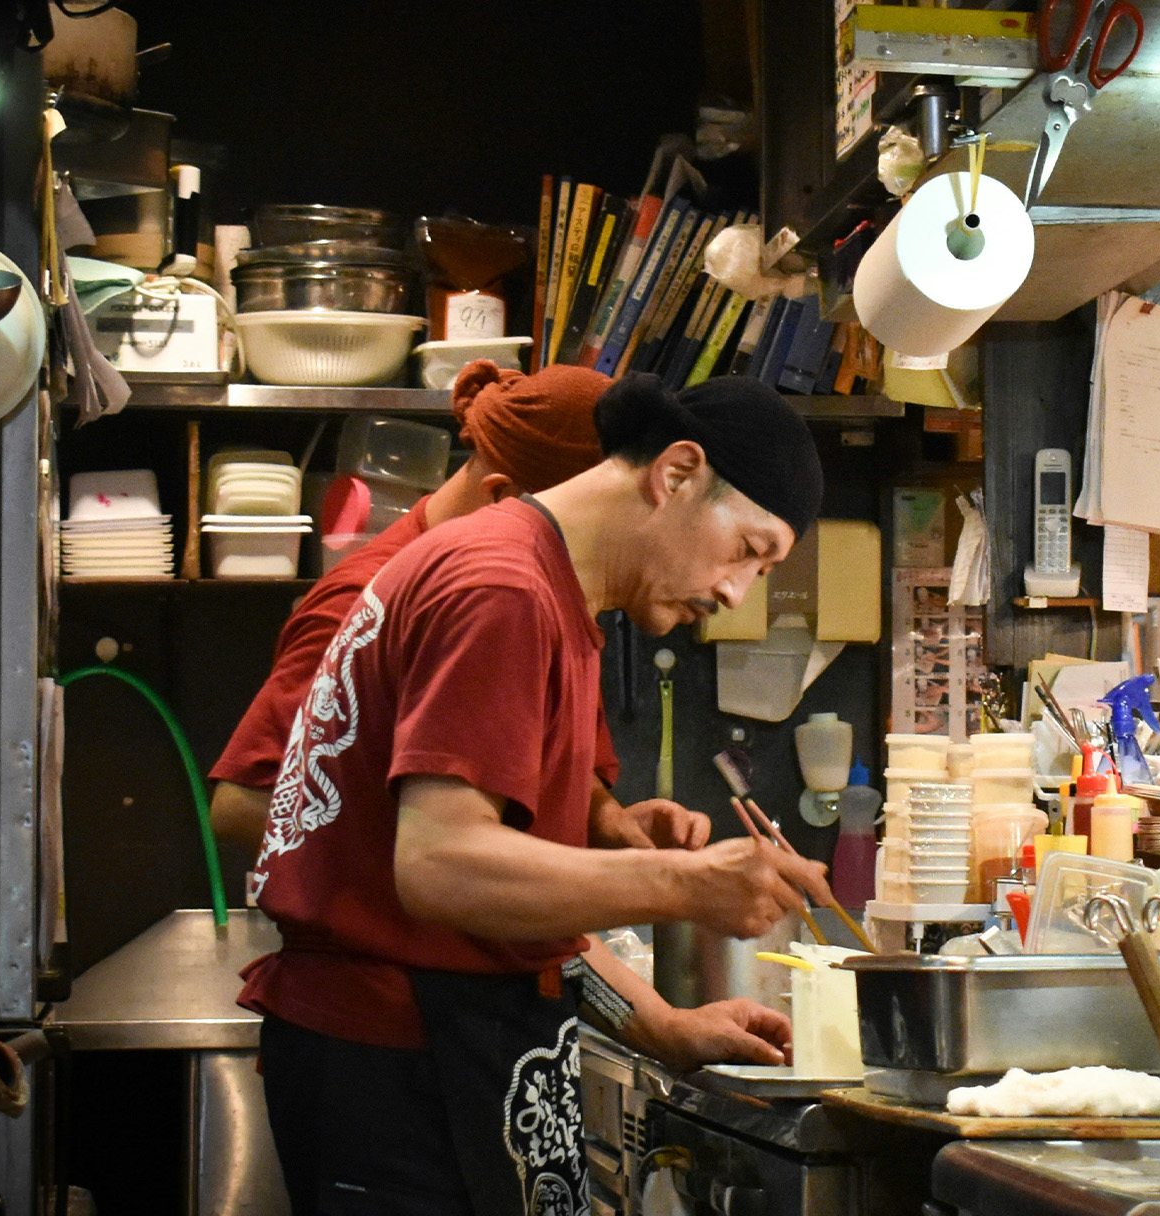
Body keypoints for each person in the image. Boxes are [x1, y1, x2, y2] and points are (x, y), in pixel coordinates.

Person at [239, 374, 834, 1216]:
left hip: (445, 1047)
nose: (737, 593)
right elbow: (441, 867)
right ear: (676, 473)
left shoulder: (543, 585)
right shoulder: (502, 589)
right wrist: (688, 884)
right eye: (750, 550)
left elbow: (500, 902)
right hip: (404, 1067)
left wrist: (659, 1025)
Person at [208, 361, 698, 858]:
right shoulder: (366, 601)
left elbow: (551, 762)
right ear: (505, 498)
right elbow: (244, 805)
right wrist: (443, 864)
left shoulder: (557, 592)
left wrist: (604, 819)